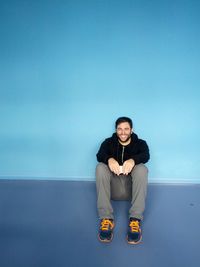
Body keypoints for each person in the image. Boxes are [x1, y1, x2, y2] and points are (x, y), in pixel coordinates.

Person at [96, 116, 150, 244]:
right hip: (113, 189)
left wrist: (133, 160)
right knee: (100, 167)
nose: (123, 132)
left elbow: (146, 155)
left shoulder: (141, 143)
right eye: (120, 129)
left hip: (132, 190)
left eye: (126, 129)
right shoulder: (108, 142)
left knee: (142, 168)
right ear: (116, 130)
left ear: (131, 130)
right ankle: (106, 219)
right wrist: (109, 159)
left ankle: (135, 219)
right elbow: (99, 155)